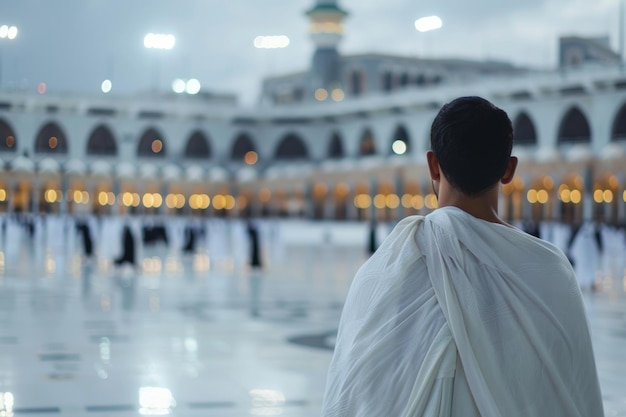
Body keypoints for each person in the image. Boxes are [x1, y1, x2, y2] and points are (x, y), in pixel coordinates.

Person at [320, 96, 603, 417]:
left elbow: (354, 394)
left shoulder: (387, 268)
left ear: (432, 164)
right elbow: (574, 396)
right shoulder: (549, 270)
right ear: (509, 169)